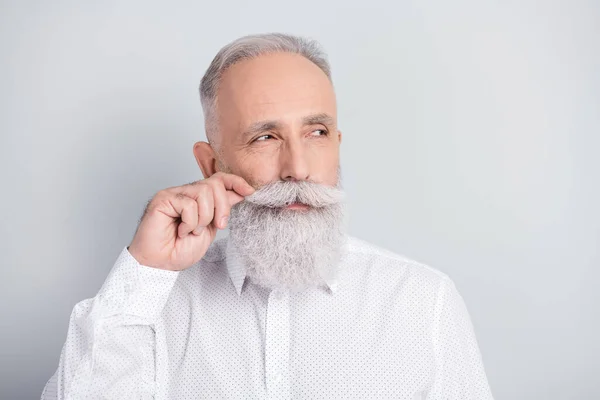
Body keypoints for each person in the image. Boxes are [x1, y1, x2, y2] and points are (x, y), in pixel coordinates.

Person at [41, 33, 493, 399]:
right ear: (210, 166)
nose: (298, 168)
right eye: (265, 137)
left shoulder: (422, 302)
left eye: (316, 132)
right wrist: (144, 272)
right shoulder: (151, 303)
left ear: (337, 143)